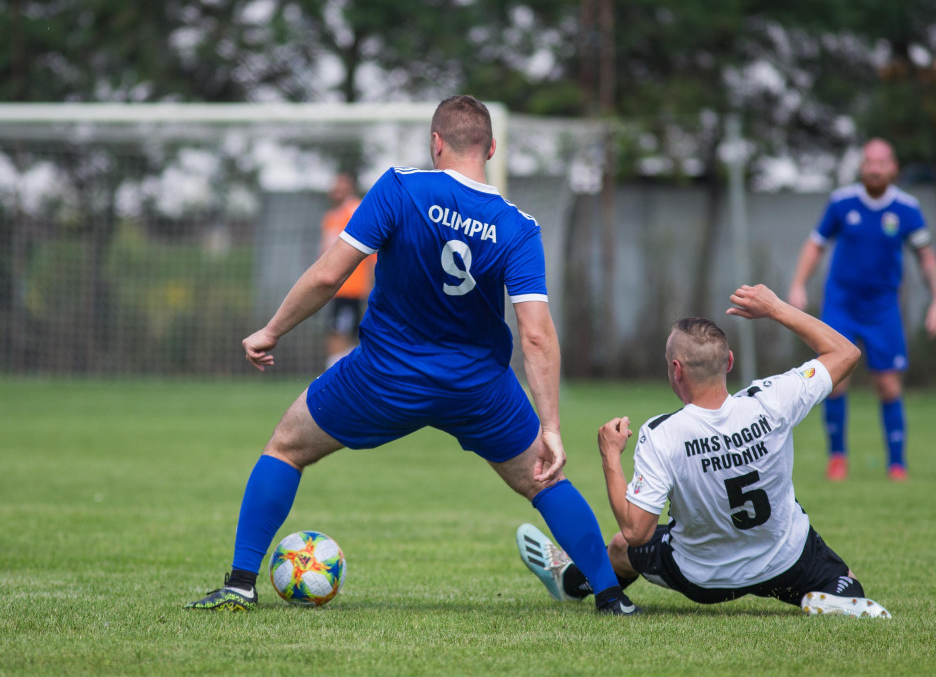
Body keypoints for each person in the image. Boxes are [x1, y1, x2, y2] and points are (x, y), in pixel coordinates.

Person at [185, 95, 637, 615]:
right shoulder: (518, 226)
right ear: (491, 148)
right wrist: (551, 427)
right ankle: (610, 597)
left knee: (286, 448)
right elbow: (536, 335)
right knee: (546, 479)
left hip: (383, 377)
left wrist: (271, 331)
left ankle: (241, 584)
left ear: (436, 143)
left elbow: (330, 275)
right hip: (478, 389)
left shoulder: (400, 188)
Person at [517, 284, 890, 618]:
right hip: (786, 562)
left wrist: (610, 456)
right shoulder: (773, 400)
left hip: (703, 578)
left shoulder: (662, 435)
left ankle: (571, 582)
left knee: (618, 548)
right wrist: (775, 308)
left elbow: (635, 532)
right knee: (847, 585)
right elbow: (846, 352)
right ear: (729, 362)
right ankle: (834, 596)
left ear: (676, 370)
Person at [787, 138, 936, 481]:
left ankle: (897, 465)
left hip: (883, 309)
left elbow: (927, 257)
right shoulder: (841, 202)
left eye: (881, 162)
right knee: (835, 381)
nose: (874, 168)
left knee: (888, 385)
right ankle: (837, 459)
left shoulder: (907, 208)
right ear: (862, 167)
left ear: (893, 167)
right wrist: (798, 284)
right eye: (869, 162)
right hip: (841, 305)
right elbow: (815, 245)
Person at [319, 173, 374, 369]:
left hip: (350, 287)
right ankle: (341, 373)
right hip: (334, 288)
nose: (337, 191)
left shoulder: (355, 211)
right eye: (335, 187)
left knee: (339, 333)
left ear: (350, 189)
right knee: (337, 332)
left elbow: (371, 252)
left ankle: (335, 375)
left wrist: (369, 284)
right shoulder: (330, 217)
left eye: (342, 188)